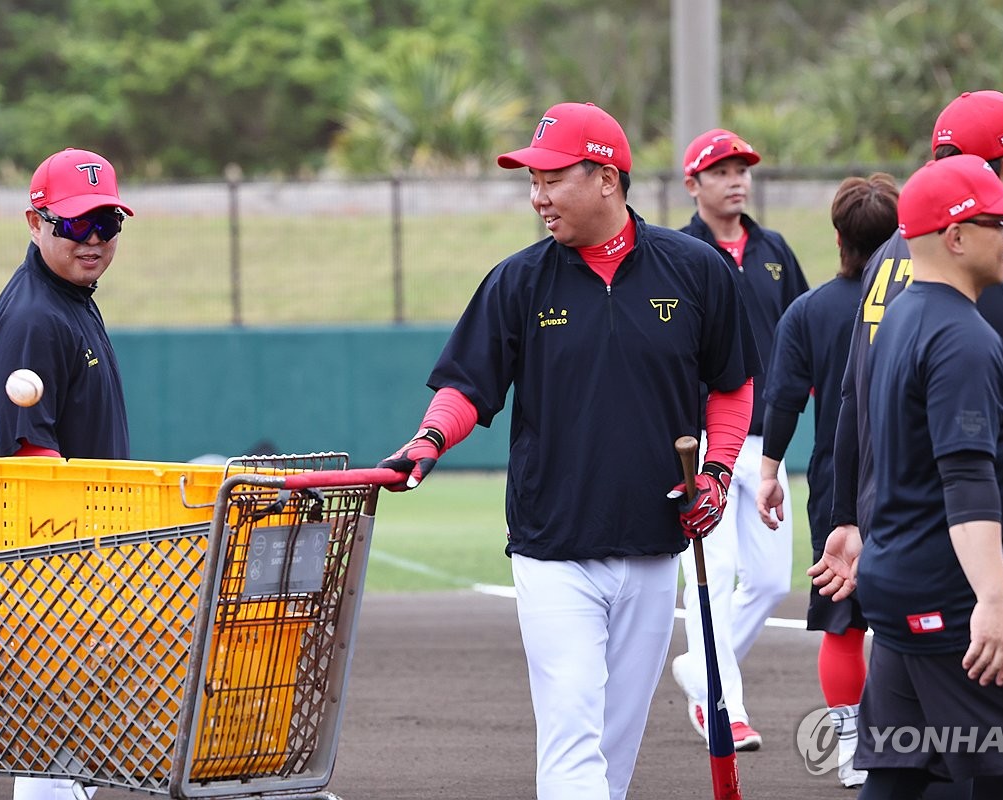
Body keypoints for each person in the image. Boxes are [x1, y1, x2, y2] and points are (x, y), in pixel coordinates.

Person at [375, 102, 760, 800]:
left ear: (607, 178)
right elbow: (467, 387)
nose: (537, 197)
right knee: (573, 735)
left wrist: (719, 471)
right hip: (552, 548)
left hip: (654, 544)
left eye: (551, 179)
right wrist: (430, 439)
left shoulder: (695, 271)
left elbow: (732, 389)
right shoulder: (518, 281)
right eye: (532, 181)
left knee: (615, 747)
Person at [815, 153, 1003, 798]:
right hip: (959, 594)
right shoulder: (961, 337)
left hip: (898, 582)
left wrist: (854, 524)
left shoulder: (900, 318)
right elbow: (966, 480)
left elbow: (877, 438)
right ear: (956, 237)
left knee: (908, 770)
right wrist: (995, 602)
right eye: (1000, 224)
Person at [0, 147, 133, 799]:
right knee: (55, 733)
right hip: (47, 554)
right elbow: (28, 462)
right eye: (73, 224)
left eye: (107, 223)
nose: (92, 239)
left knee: (69, 736)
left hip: (70, 554)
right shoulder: (38, 317)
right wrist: (78, 560)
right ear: (35, 223)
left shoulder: (69, 296)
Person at [755, 172, 899, 787]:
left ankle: (848, 741)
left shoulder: (808, 311)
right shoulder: (921, 301)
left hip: (838, 485)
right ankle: (912, 739)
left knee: (843, 620)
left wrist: (768, 472)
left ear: (838, 236)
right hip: (910, 477)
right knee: (913, 615)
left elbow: (782, 401)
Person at [669, 128, 809, 752]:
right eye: (721, 170)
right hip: (700, 441)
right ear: (692, 183)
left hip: (766, 442)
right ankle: (722, 704)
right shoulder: (675, 252)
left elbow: (801, 330)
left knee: (773, 581)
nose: (737, 179)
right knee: (715, 570)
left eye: (743, 168)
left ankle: (701, 671)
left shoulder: (774, 249)